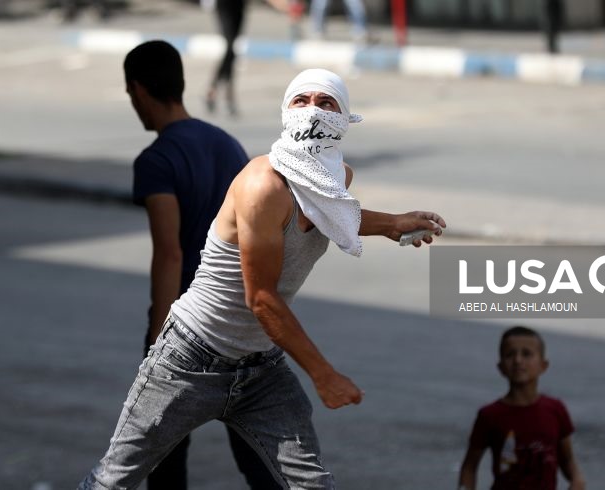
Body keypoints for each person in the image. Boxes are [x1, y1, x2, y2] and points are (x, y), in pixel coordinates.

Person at [80, 67, 446, 489]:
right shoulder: (262, 185)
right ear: (284, 113)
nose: (312, 111)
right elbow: (262, 300)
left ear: (344, 120)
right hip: (189, 358)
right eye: (300, 101)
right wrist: (323, 374)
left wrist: (390, 223)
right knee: (113, 481)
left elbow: (326, 210)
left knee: (310, 485)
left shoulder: (337, 178)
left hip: (260, 368)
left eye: (326, 103)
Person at [123, 40, 279, 490]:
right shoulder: (227, 145)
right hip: (242, 323)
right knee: (260, 454)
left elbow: (169, 252)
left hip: (189, 328)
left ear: (138, 90)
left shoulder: (156, 162)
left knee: (164, 454)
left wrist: (157, 340)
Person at [457, 326, 586, 490]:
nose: (518, 360)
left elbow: (567, 460)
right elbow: (469, 466)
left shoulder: (555, 410)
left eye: (527, 354)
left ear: (543, 365)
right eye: (510, 354)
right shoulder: (489, 415)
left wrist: (577, 480)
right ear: (500, 366)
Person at [205, 0, 246, 117]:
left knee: (232, 49)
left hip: (239, 5)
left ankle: (215, 90)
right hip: (224, 4)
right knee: (230, 47)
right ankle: (228, 95)